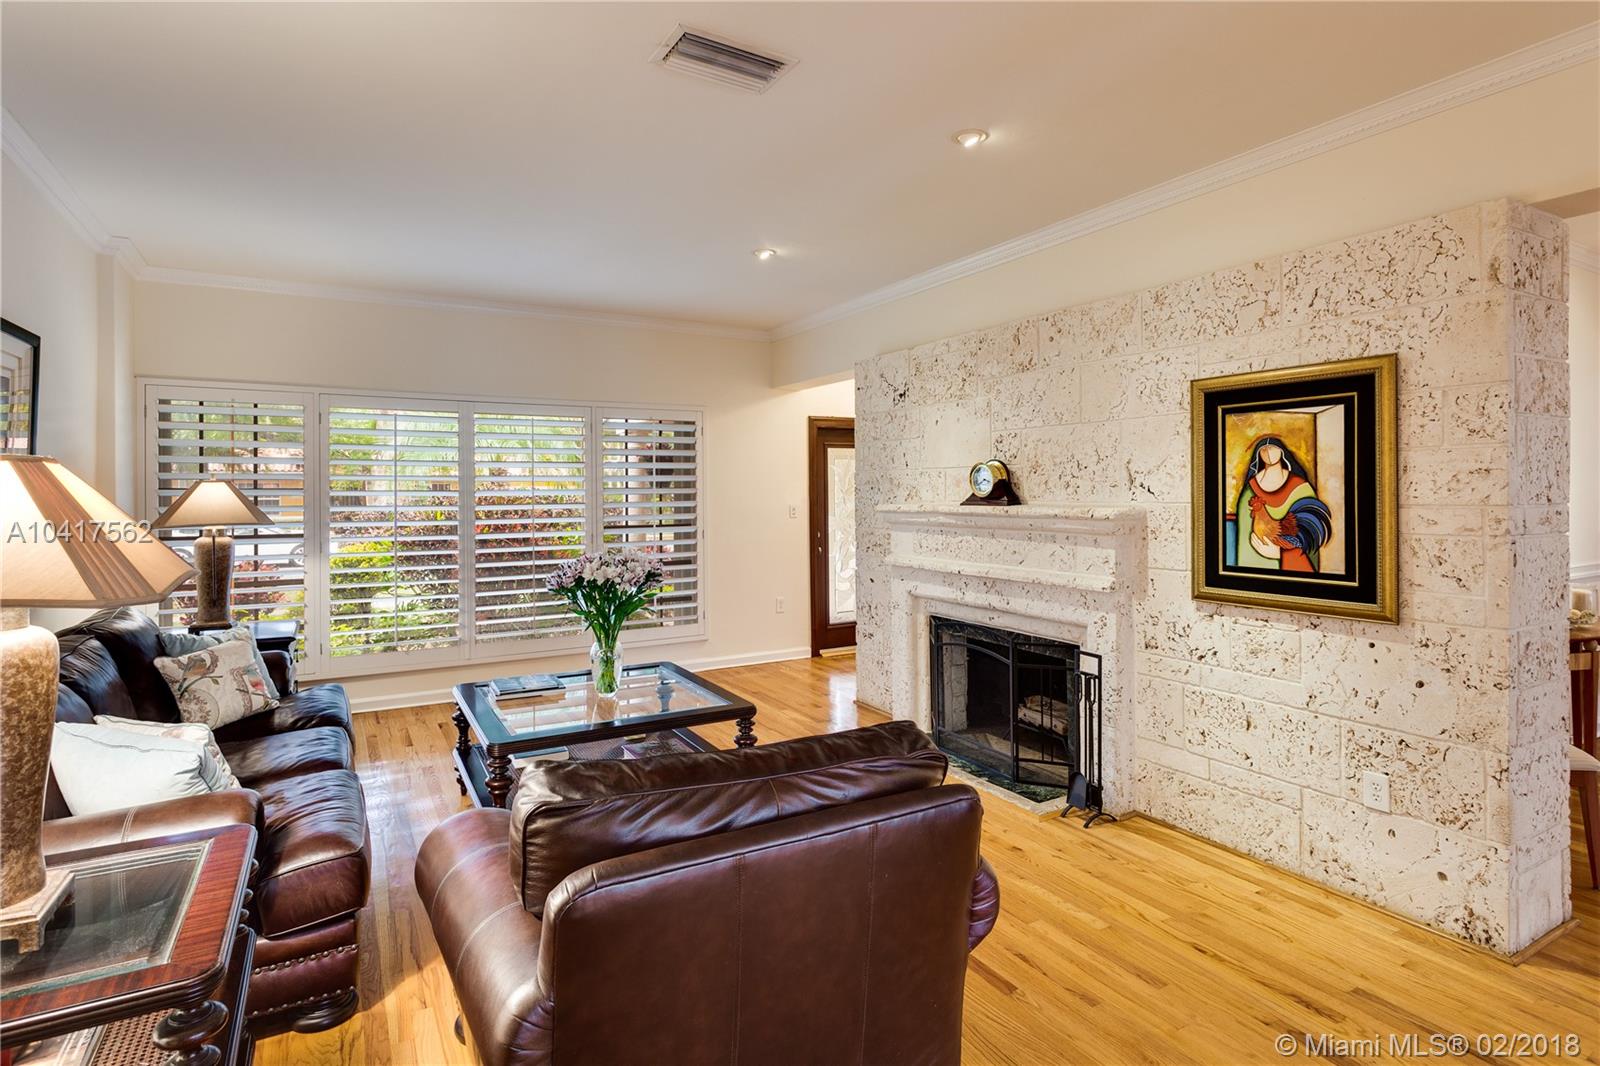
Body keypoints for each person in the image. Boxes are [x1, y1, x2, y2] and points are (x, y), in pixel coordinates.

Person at [1225, 436, 1333, 573]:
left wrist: (1280, 553)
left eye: (1273, 448)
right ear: (1258, 455)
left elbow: (1308, 545)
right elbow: (1245, 533)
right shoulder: (1250, 488)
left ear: (1282, 452)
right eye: (1264, 450)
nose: (1268, 453)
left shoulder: (1301, 487)